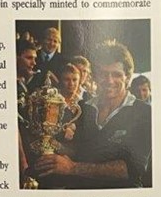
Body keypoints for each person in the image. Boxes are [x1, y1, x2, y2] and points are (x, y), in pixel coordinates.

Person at [34, 39, 151, 188]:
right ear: (94, 76)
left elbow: (132, 169)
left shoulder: (144, 112)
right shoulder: (84, 108)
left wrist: (72, 168)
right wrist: (51, 144)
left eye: (116, 74)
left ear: (127, 77)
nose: (109, 80)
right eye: (103, 74)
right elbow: (79, 150)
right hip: (81, 194)